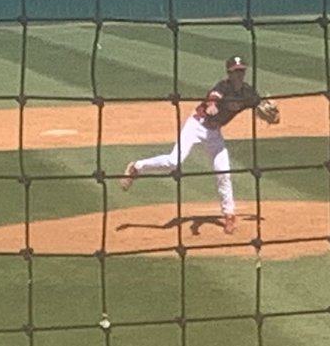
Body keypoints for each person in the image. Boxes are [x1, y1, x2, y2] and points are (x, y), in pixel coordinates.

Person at [119, 55, 278, 235]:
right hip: (196, 125)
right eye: (235, 72)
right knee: (173, 162)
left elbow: (262, 106)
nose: (239, 75)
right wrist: (212, 105)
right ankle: (137, 167)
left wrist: (272, 113)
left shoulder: (248, 93)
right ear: (229, 73)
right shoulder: (223, 87)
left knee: (224, 172)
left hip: (214, 133)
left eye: (241, 71)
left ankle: (229, 216)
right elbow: (214, 96)